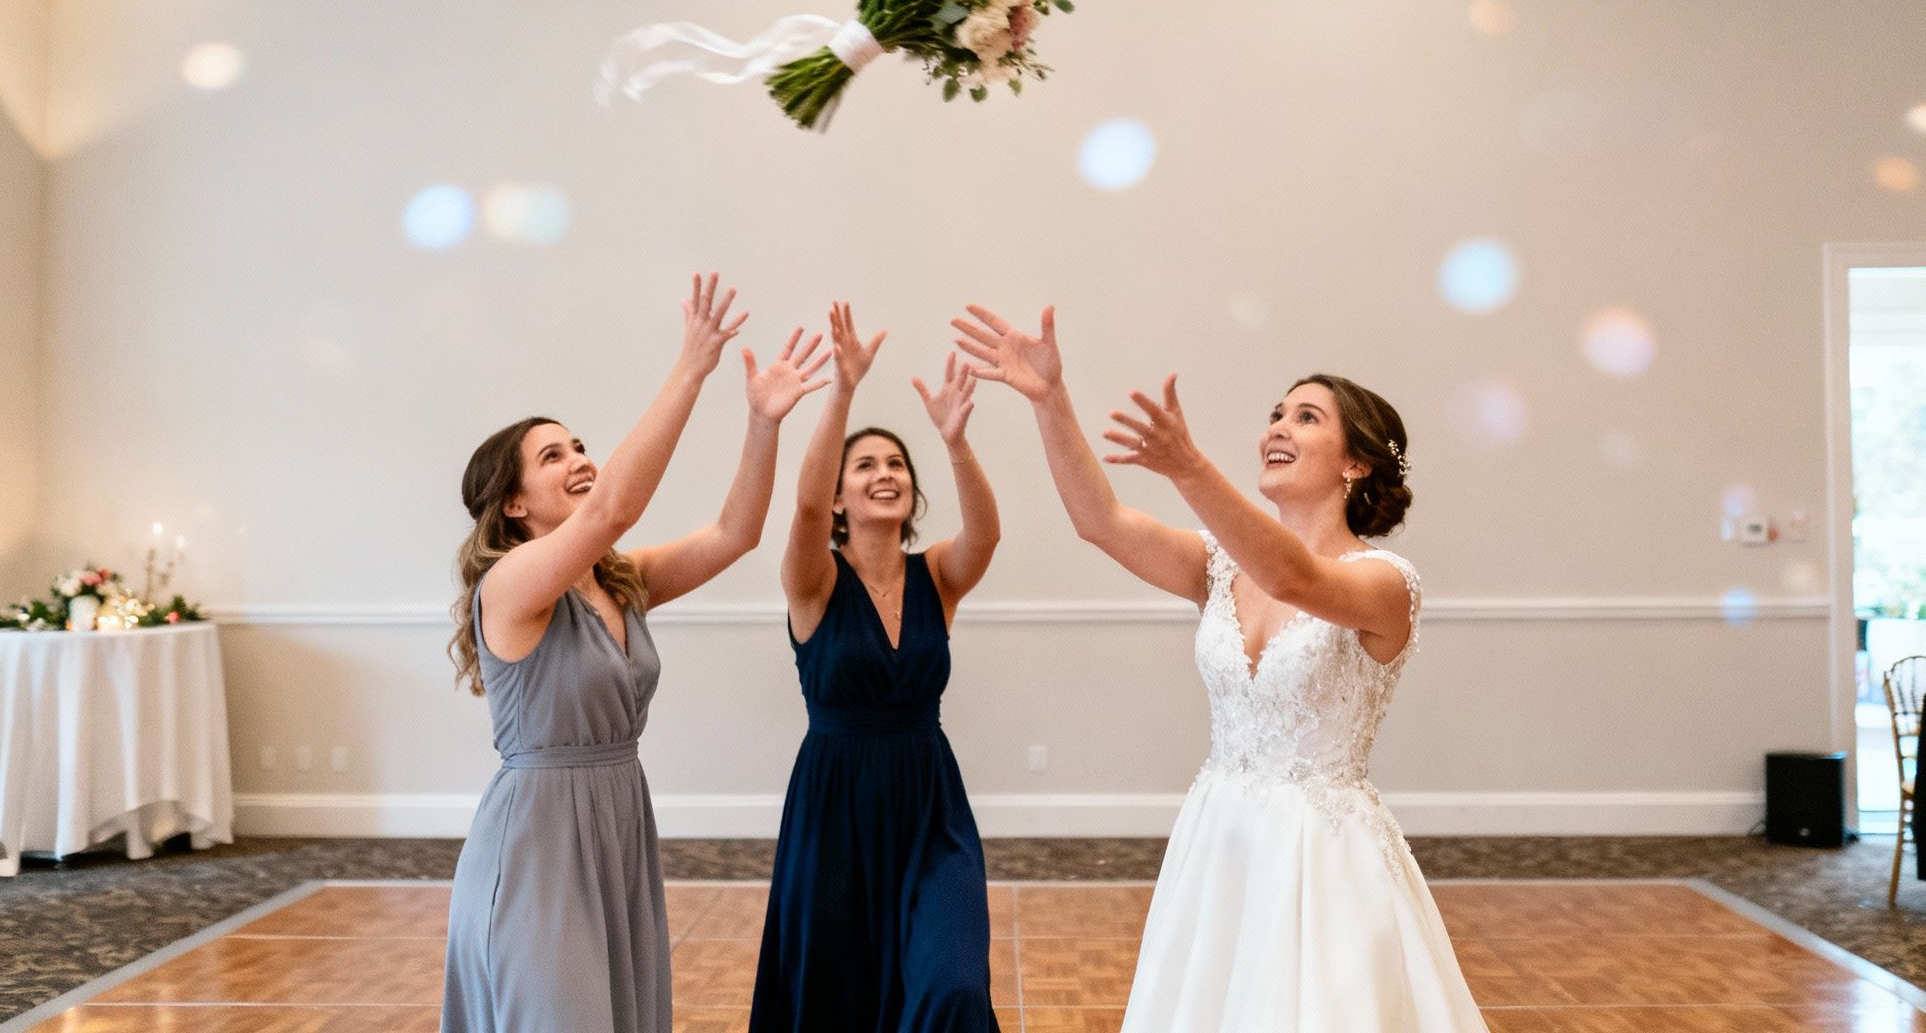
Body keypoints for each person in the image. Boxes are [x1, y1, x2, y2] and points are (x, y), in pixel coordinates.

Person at [954, 304, 1487, 1031]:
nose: (1277, 427)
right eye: (1276, 413)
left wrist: (1190, 468)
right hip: (1219, 837)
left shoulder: (1386, 582)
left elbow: (1298, 579)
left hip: (1322, 857)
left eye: (1305, 418)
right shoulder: (1220, 567)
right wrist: (1050, 400)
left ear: (1355, 463)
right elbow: (1100, 521)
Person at [441, 274, 829, 1032]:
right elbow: (618, 503)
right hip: (537, 844)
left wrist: (761, 423)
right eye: (554, 456)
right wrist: (691, 368)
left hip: (618, 820)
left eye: (581, 445)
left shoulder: (620, 581)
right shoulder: (512, 585)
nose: (580, 459)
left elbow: (734, 535)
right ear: (513, 503)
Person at [750, 302, 1003, 1032]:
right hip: (834, 809)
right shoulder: (814, 581)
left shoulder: (938, 577)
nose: (884, 474)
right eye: (866, 466)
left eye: (896, 465)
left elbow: (985, 535)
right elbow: (797, 510)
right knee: (840, 994)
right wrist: (841, 394)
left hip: (930, 805)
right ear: (839, 498)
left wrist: (955, 443)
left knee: (951, 982)